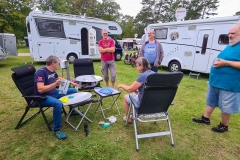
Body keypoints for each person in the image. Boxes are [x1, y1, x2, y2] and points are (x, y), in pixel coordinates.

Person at [192, 24, 240, 133]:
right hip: (216, 81)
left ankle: (224, 125)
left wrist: (225, 63)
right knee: (211, 101)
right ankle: (205, 118)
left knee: (226, 105)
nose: (230, 36)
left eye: (233, 33)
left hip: (229, 84)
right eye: (229, 33)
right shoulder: (231, 45)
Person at [33, 55, 78, 140]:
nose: (59, 65)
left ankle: (72, 110)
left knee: (73, 91)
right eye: (58, 63)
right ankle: (57, 130)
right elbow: (40, 89)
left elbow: (59, 78)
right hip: (43, 97)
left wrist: (72, 83)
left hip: (54, 92)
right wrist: (55, 84)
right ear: (53, 63)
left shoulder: (53, 71)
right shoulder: (41, 72)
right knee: (58, 103)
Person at [118, 57, 154, 123]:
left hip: (143, 103)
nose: (136, 68)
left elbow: (129, 89)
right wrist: (139, 91)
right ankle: (132, 114)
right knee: (134, 94)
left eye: (137, 66)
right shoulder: (153, 74)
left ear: (141, 65)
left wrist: (121, 85)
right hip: (155, 103)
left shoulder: (143, 76)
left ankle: (128, 119)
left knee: (126, 97)